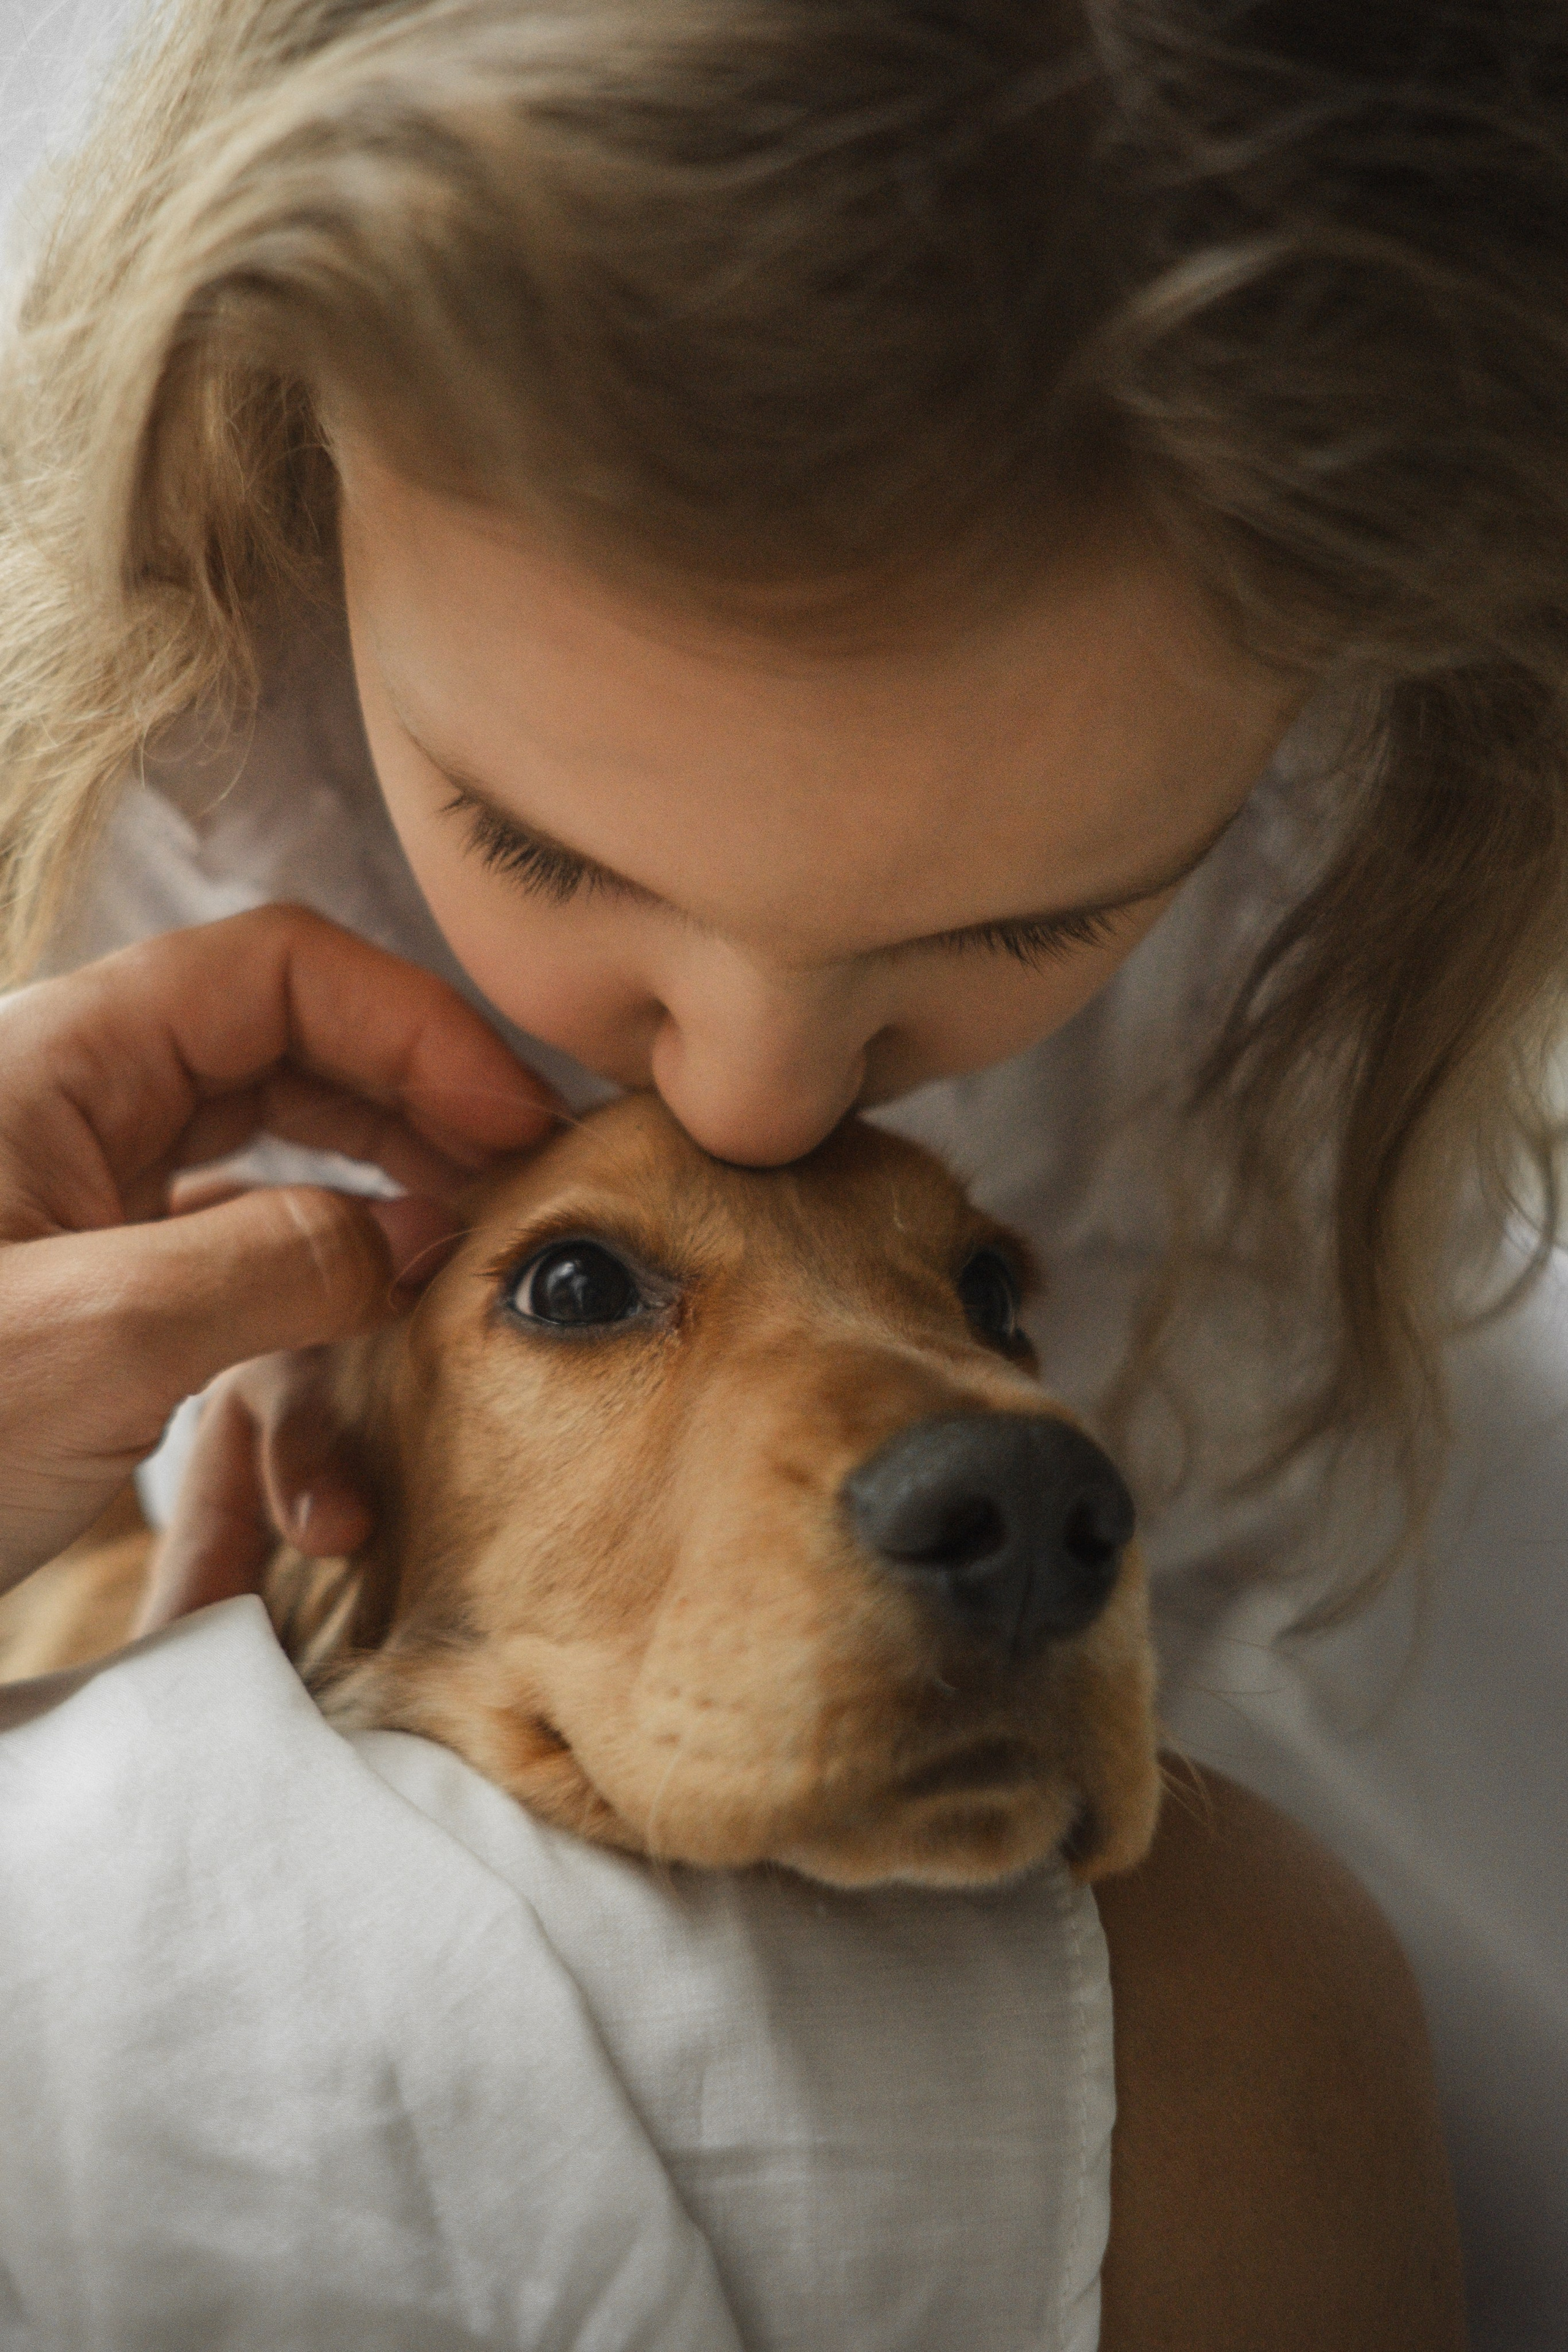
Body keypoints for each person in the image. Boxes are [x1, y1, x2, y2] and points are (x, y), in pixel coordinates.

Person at [0, 0, 1563, 2340]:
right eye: (585, 1288)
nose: (751, 1099)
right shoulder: (139, 757)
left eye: (1023, 926)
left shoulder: (1323, 998)